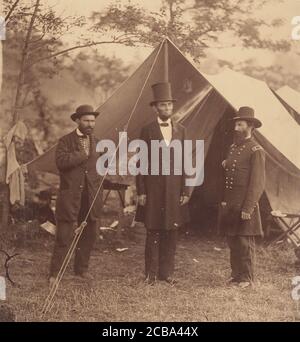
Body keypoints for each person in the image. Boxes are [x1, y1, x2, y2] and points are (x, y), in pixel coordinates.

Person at [136, 82, 189, 286]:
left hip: (175, 189)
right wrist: (141, 190)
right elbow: (141, 162)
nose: (167, 109)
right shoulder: (147, 130)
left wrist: (185, 189)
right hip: (154, 188)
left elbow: (185, 161)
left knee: (171, 231)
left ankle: (166, 273)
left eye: (169, 105)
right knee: (153, 230)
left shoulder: (181, 130)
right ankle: (150, 274)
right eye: (163, 105)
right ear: (155, 107)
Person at [49, 105, 103, 285]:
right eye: (87, 120)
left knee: (89, 234)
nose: (90, 124)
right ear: (77, 120)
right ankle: (55, 274)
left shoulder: (97, 141)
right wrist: (82, 155)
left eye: (93, 120)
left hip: (90, 197)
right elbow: (61, 163)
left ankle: (81, 270)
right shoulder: (65, 141)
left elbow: (99, 169)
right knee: (64, 235)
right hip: (70, 197)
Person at [220, 106, 265, 289]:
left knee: (244, 242)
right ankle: (236, 275)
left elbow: (257, 183)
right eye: (236, 124)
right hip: (231, 203)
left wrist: (248, 208)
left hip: (245, 204)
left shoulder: (256, 150)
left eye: (240, 124)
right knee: (232, 240)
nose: (236, 128)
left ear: (250, 126)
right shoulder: (233, 147)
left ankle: (247, 278)